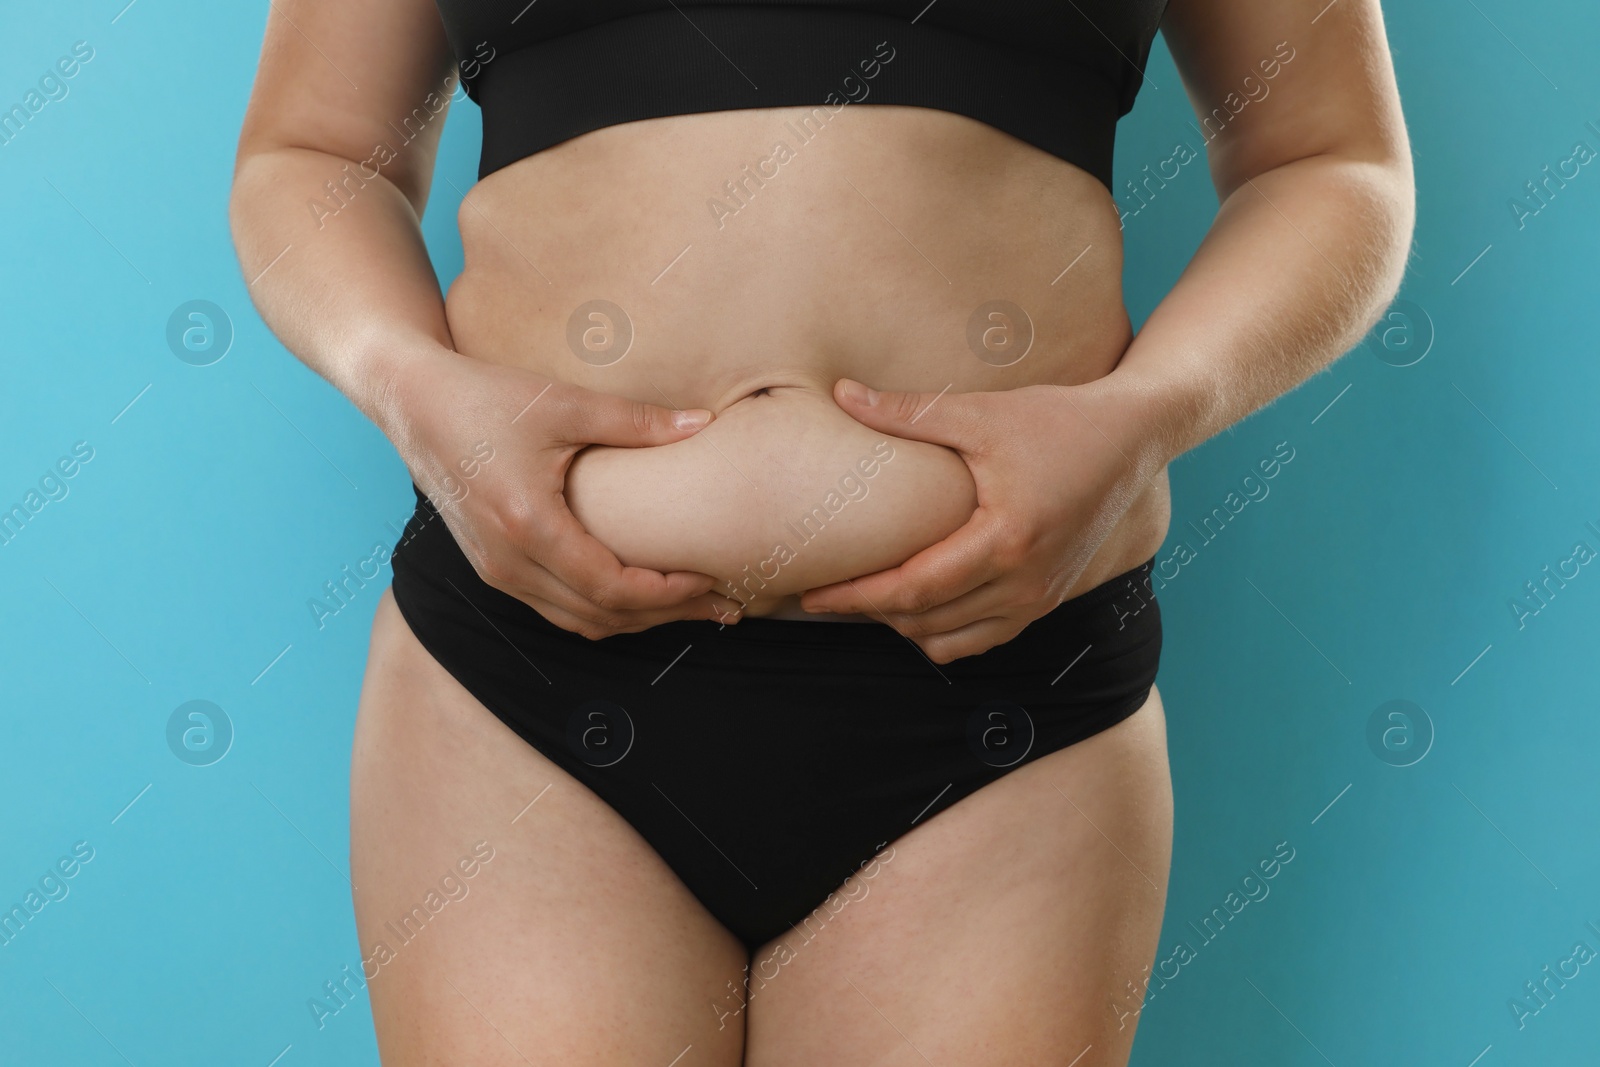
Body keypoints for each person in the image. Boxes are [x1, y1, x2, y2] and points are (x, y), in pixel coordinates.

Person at [230, 0, 1413, 1062]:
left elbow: (1328, 159)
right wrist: (404, 383)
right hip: (523, 692)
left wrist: (1149, 416)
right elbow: (313, 151)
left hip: (1006, 705)